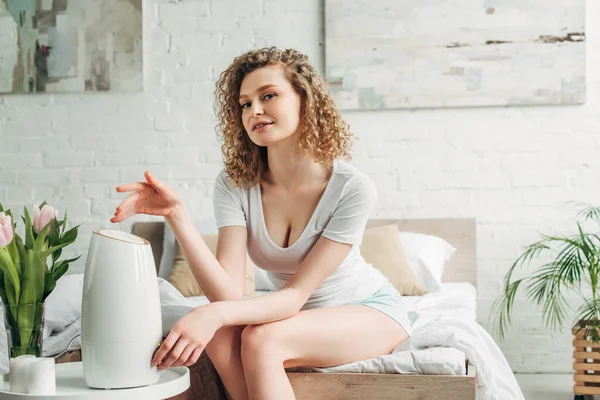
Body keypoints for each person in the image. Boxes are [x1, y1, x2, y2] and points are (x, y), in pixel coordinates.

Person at [111, 47, 411, 400]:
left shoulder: (352, 188)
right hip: (289, 320)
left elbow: (294, 297)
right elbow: (228, 294)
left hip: (367, 311)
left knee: (260, 337)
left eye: (268, 95)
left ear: (305, 99)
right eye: (244, 103)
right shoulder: (235, 184)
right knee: (225, 333)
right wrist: (177, 216)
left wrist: (210, 315)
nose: (254, 110)